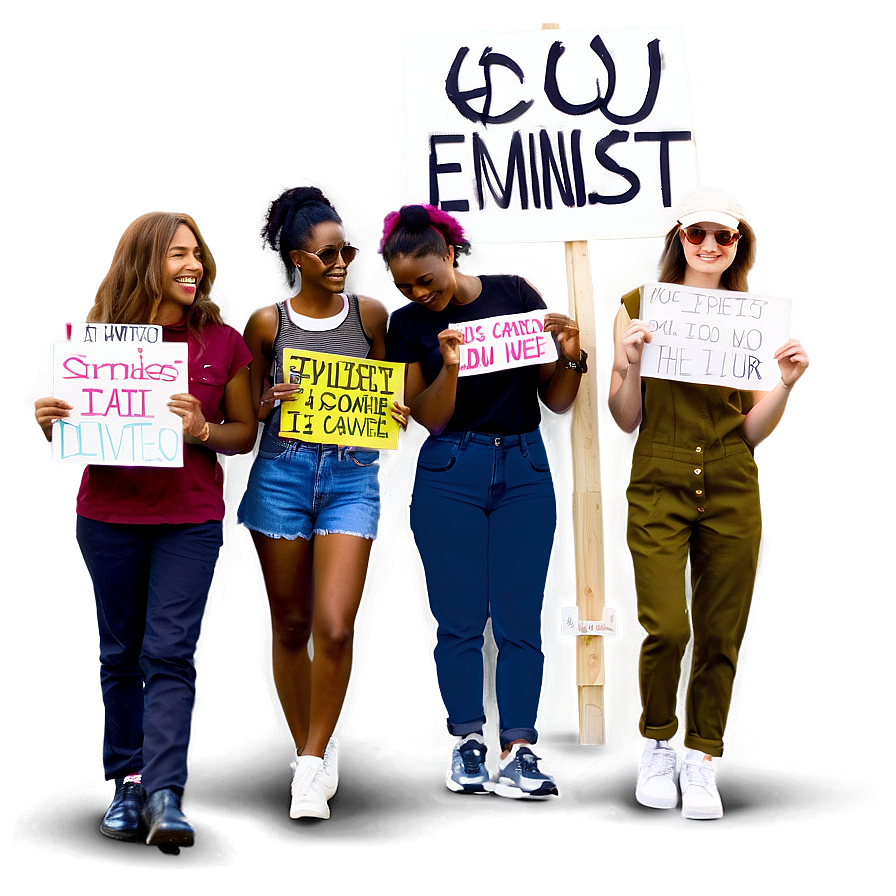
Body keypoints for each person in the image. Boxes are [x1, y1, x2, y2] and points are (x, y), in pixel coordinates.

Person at [34, 212, 256, 844]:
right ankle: (126, 785)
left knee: (170, 652)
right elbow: (76, 427)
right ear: (144, 263)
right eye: (177, 255)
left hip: (190, 519)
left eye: (197, 255)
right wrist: (47, 419)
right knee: (118, 653)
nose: (193, 266)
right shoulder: (99, 344)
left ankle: (164, 794)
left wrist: (203, 431)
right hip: (108, 516)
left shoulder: (223, 342)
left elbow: (245, 434)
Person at [608, 185, 810, 819]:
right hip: (657, 477)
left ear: (738, 246)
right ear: (679, 240)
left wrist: (787, 384)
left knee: (721, 631)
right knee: (665, 626)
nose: (711, 246)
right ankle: (659, 742)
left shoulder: (756, 319)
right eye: (698, 234)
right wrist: (629, 363)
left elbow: (751, 431)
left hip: (729, 479)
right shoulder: (638, 306)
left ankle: (703, 759)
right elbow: (623, 420)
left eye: (725, 237)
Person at [381, 204, 585, 797]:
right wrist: (450, 367)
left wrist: (570, 352)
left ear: (449, 255)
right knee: (458, 620)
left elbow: (560, 400)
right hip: (450, 469)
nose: (420, 293)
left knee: (522, 619)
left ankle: (519, 751)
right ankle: (468, 744)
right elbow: (428, 419)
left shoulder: (516, 292)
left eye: (427, 280)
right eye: (404, 287)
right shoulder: (407, 325)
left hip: (524, 465)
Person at [237, 185, 408, 820]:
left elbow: (389, 393)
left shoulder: (370, 316)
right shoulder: (265, 322)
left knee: (335, 624)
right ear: (297, 258)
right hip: (280, 473)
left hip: (350, 476)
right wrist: (264, 406)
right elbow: (247, 413)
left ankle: (309, 767)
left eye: (348, 251)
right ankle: (308, 745)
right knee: (291, 623)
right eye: (329, 253)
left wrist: (393, 407)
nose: (342, 263)